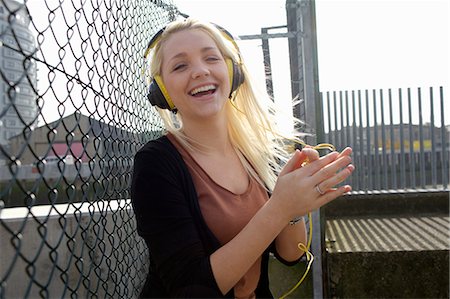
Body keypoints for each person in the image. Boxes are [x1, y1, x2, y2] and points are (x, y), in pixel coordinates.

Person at [131, 17, 354, 298]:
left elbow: (290, 254)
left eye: (211, 58)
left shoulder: (255, 154)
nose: (200, 71)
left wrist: (293, 207)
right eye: (180, 65)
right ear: (162, 91)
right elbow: (190, 289)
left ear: (232, 72)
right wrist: (279, 208)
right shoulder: (155, 165)